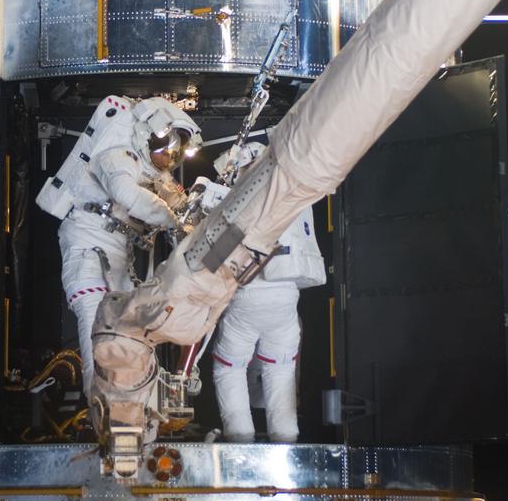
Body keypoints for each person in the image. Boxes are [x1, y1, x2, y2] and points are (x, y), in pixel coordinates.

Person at [36, 95, 201, 395]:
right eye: (165, 149)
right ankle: (100, 412)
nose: (167, 158)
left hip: (115, 258)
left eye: (173, 154)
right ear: (146, 135)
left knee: (127, 340)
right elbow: (128, 194)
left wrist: (194, 217)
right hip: (87, 250)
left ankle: (132, 412)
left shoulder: (150, 172)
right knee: (97, 339)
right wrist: (169, 219)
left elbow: (179, 202)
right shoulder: (117, 156)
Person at [197, 142, 327, 443]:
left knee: (229, 368)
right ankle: (286, 443)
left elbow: (214, 256)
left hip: (248, 298)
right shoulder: (293, 192)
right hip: (286, 299)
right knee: (280, 371)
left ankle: (240, 440)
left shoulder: (244, 198)